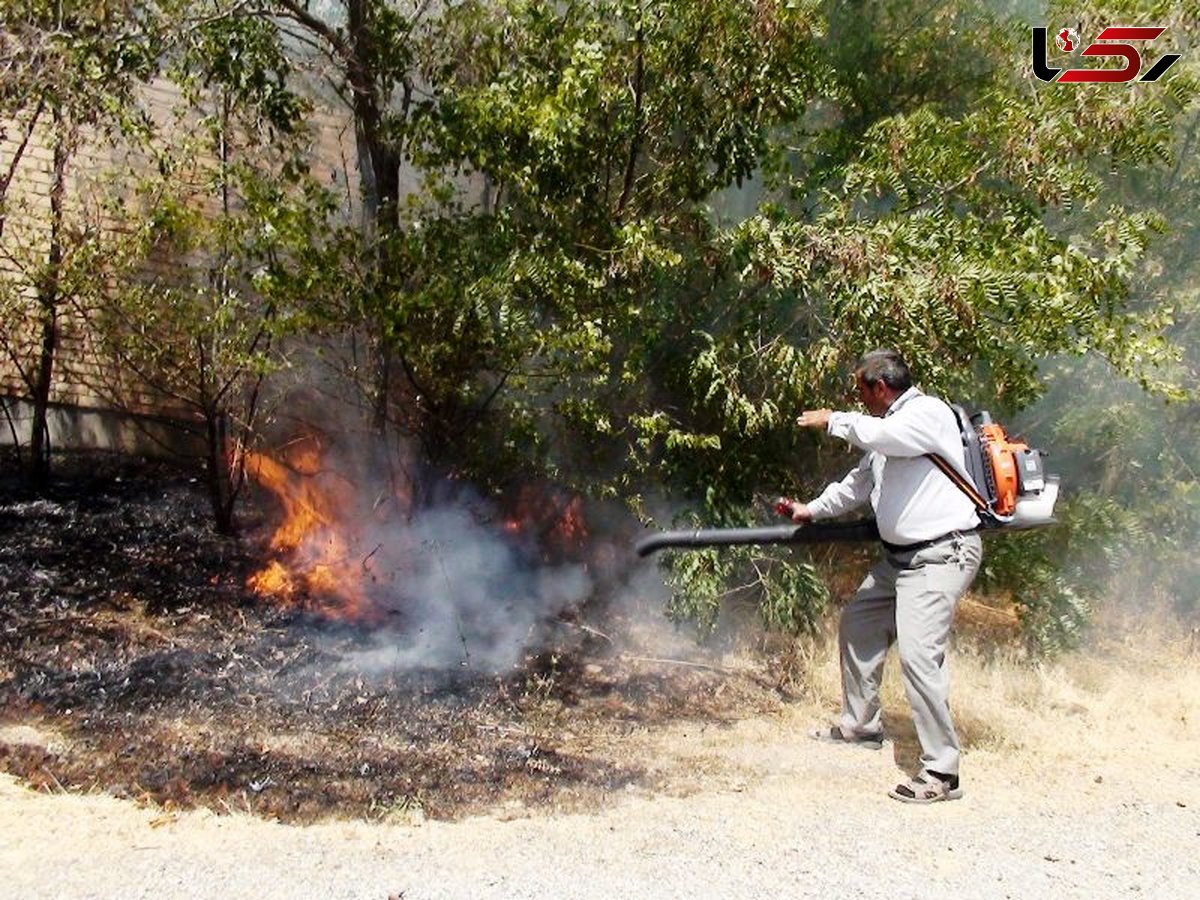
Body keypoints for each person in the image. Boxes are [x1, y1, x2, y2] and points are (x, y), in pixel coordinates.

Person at [779, 348, 982, 804]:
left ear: (880, 387)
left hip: (940, 555)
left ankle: (941, 773)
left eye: (861, 392)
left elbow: (884, 436)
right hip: (901, 560)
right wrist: (809, 510)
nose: (860, 399)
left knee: (918, 657)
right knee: (859, 624)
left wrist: (835, 419)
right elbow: (858, 484)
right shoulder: (888, 433)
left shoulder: (925, 413)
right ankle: (860, 727)